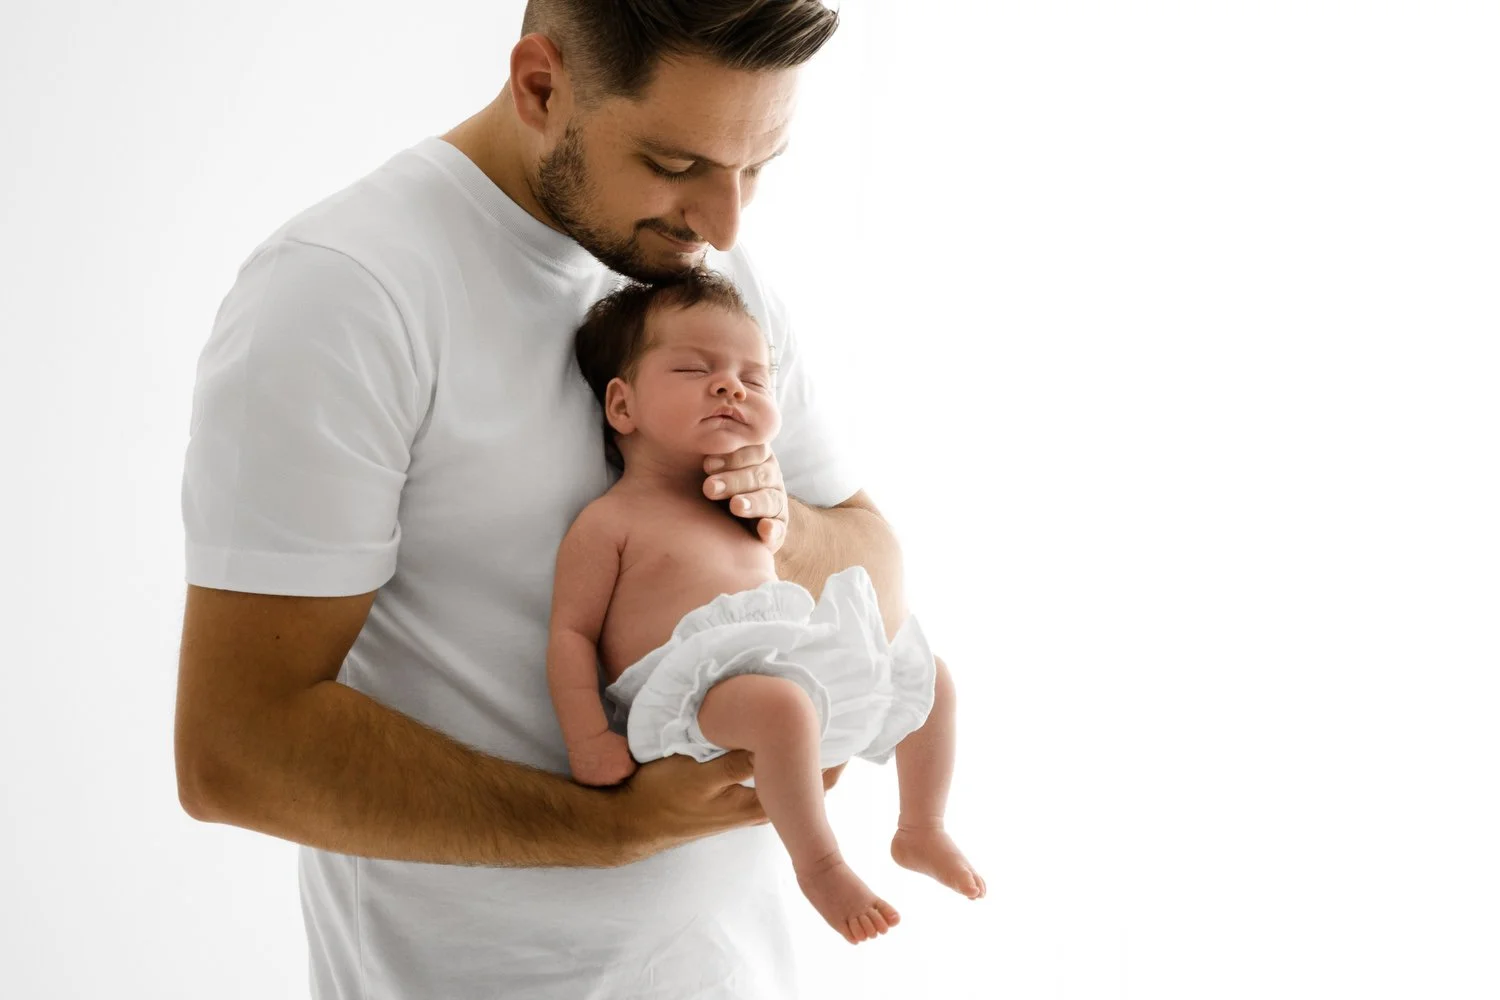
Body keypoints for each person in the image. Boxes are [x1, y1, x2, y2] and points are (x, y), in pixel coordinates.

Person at [174, 2, 969, 996]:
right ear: (541, 86)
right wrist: (612, 828)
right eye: (676, 164)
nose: (726, 223)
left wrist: (774, 521)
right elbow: (236, 751)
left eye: (756, 168)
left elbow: (876, 571)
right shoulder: (348, 293)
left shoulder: (704, 271)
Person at [549, 271, 986, 945]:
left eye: (753, 379)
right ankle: (821, 867)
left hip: (780, 666)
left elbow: (825, 568)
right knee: (781, 708)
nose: (730, 387)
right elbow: (572, 634)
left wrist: (779, 526)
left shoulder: (752, 505)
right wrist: (588, 739)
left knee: (929, 674)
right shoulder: (612, 520)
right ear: (622, 405)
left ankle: (920, 827)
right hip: (686, 692)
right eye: (695, 369)